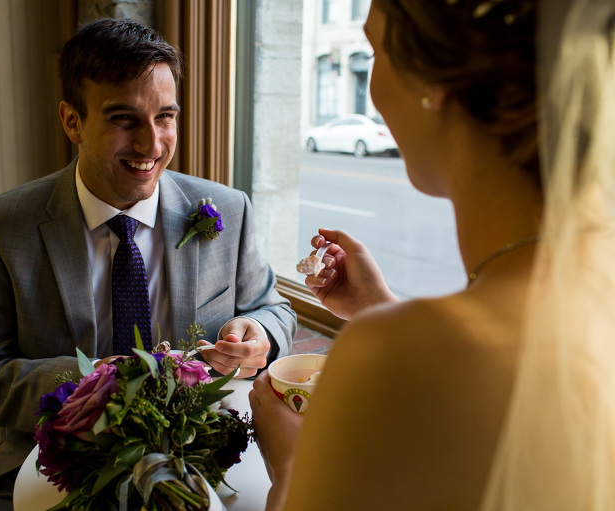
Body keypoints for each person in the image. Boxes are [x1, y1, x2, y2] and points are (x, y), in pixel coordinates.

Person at [250, 0, 615, 509]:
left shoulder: (387, 356)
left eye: (376, 48)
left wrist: (290, 466)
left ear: (435, 81)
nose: (374, 96)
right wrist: (378, 305)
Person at [0, 17, 296, 509]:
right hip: (49, 457)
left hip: (208, 452)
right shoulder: (2, 226)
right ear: (72, 121)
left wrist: (258, 335)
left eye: (165, 117)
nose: (151, 146)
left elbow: (273, 310)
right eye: (124, 119)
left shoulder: (227, 210)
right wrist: (92, 382)